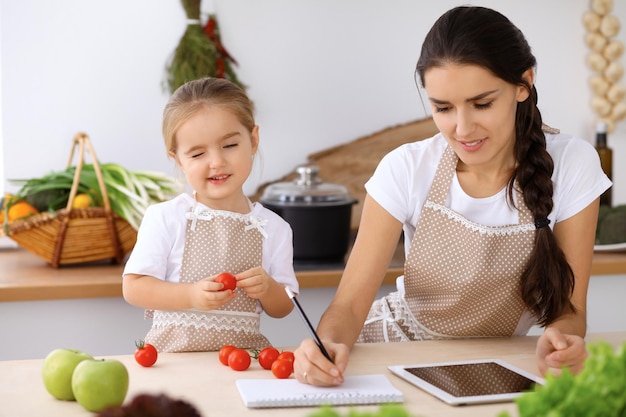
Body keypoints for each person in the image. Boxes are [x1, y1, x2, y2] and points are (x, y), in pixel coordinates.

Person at [294, 5, 612, 386]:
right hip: (393, 354)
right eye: (443, 108)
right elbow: (347, 307)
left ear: (524, 84)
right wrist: (326, 345)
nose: (462, 128)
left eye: (482, 103)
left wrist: (563, 341)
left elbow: (570, 309)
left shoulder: (573, 163)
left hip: (496, 368)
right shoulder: (406, 168)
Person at [122, 77, 299, 352]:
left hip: (242, 364)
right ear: (178, 159)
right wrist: (190, 295)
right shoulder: (166, 217)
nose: (216, 162)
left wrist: (269, 288)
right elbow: (134, 288)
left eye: (229, 146)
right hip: (173, 362)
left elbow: (284, 306)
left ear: (253, 140)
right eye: (197, 154)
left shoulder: (274, 228)